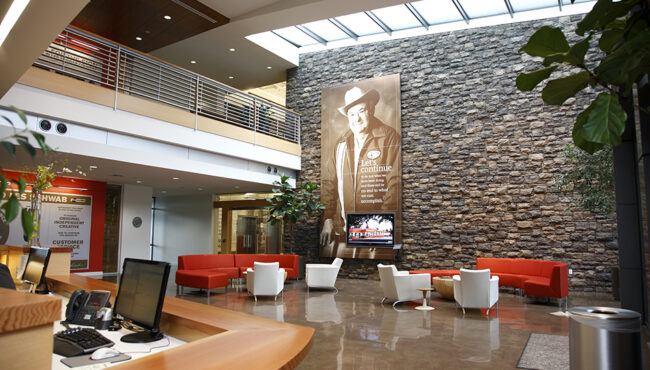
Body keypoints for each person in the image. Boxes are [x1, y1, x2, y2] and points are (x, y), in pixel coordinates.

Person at [320, 86, 401, 252]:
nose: (356, 118)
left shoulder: (390, 137)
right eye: (351, 114)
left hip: (375, 229)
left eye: (361, 111)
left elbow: (395, 183)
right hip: (344, 230)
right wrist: (327, 218)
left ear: (371, 110)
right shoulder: (341, 144)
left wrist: (378, 227)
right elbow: (329, 183)